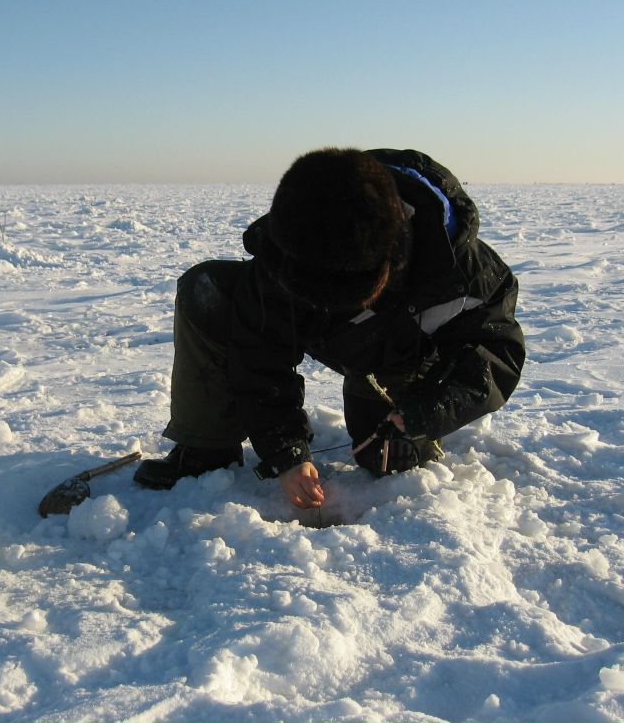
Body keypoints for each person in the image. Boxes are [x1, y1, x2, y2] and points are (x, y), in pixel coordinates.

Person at [133, 148, 525, 509]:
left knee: (386, 457)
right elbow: (259, 353)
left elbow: (495, 355)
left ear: (390, 262)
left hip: (399, 354)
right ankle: (208, 446)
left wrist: (424, 412)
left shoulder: (465, 277)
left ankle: (396, 421)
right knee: (209, 289)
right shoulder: (294, 236)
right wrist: (286, 454)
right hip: (329, 336)